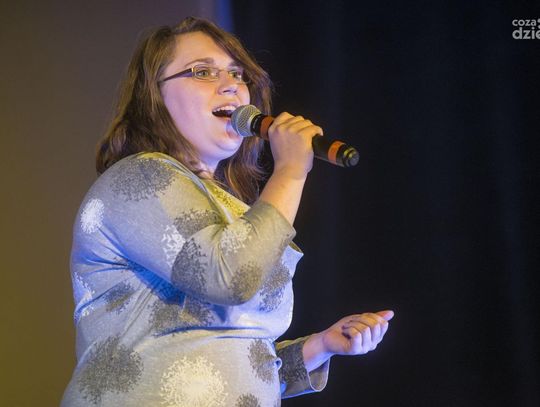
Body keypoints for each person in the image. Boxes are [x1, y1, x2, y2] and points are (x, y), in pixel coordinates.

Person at [61, 16, 394, 407]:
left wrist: (320, 346)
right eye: (203, 72)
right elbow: (230, 277)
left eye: (237, 74)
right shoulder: (140, 177)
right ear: (154, 96)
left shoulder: (228, 207)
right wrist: (290, 171)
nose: (232, 85)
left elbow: (226, 365)